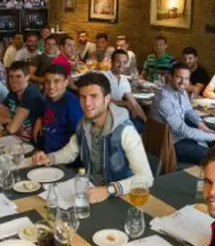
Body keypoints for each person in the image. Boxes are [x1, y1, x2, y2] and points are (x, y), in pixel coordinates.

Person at [31, 72, 153, 204]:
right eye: (83, 97)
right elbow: (70, 152)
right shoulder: (84, 123)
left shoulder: (125, 131)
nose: (87, 103)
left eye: (93, 96)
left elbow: (146, 177)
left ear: (107, 99)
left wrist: (108, 190)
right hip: (90, 192)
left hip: (119, 198)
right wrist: (49, 158)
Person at [151, 63, 215, 165]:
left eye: (186, 78)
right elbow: (184, 130)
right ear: (170, 77)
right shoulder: (164, 100)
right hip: (170, 143)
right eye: (179, 77)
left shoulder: (181, 90)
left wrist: (202, 126)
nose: (183, 82)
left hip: (181, 136)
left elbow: (189, 111)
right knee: (214, 157)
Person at [36, 64, 83, 153]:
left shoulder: (72, 105)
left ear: (66, 82)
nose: (51, 86)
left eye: (56, 81)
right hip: (45, 151)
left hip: (61, 159)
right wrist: (40, 119)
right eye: (47, 81)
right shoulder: (49, 98)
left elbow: (80, 137)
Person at [103, 50, 147, 132]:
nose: (121, 65)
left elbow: (134, 103)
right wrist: (125, 103)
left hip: (121, 114)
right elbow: (102, 100)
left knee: (143, 126)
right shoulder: (103, 76)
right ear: (112, 62)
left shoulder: (124, 80)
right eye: (118, 61)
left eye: (124, 62)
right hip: (107, 116)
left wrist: (146, 120)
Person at [1, 61, 46, 142]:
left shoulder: (31, 93)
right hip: (16, 139)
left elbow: (12, 129)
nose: (13, 80)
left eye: (18, 76)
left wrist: (7, 121)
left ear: (27, 77)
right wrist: (11, 120)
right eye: (11, 77)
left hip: (31, 145)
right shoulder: (14, 91)